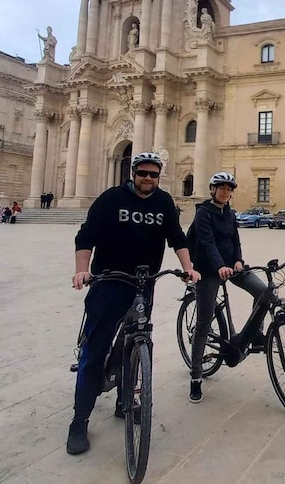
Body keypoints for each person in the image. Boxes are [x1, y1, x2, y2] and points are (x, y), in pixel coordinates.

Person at [67, 152, 200, 456]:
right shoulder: (111, 199)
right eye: (143, 173)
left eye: (153, 175)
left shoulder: (164, 202)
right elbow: (85, 236)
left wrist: (188, 267)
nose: (148, 179)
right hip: (109, 283)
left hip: (144, 284)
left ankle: (125, 401)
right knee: (95, 349)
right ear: (133, 173)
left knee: (137, 343)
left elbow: (177, 237)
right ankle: (79, 420)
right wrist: (81, 269)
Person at [186, 172, 272, 404]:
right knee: (203, 324)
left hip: (230, 266)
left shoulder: (229, 214)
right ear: (212, 190)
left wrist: (238, 260)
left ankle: (255, 335)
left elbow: (235, 240)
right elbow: (207, 242)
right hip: (207, 269)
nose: (226, 191)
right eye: (221, 188)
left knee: (264, 293)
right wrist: (219, 265)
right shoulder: (203, 213)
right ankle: (195, 378)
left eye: (229, 188)